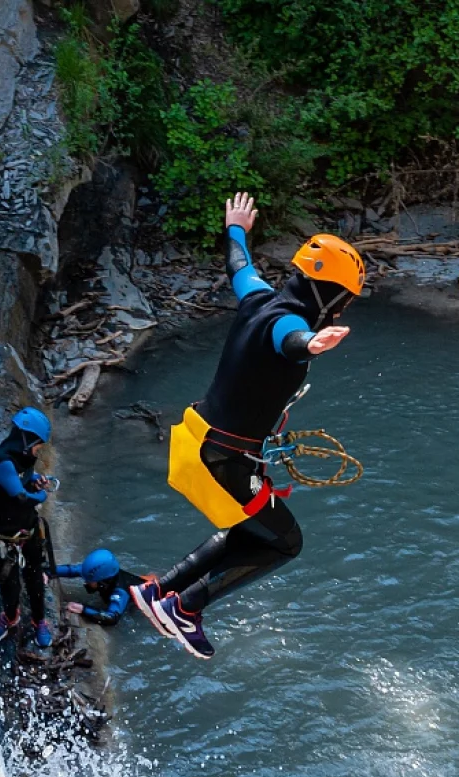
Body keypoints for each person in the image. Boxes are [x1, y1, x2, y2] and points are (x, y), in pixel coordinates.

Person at [130, 192, 365, 659]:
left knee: (254, 527)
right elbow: (290, 341)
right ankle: (187, 606)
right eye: (343, 301)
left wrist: (235, 227)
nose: (342, 311)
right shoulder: (289, 324)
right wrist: (312, 343)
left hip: (199, 438)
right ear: (328, 295)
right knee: (286, 541)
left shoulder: (258, 295)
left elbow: (238, 265)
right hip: (225, 460)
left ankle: (159, 592)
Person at [0, 408, 57, 659]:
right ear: (27, 440)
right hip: (6, 538)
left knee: (35, 579)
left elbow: (23, 480)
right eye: (38, 446)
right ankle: (11, 617)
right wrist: (42, 495)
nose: (39, 451)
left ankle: (39, 621)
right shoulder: (1, 462)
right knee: (9, 583)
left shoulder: (22, 459)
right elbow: (20, 496)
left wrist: (35, 480)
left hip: (29, 532)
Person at [53, 549, 142, 627]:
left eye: (89, 580)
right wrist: (46, 572)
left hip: (138, 602)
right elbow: (72, 570)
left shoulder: (120, 592)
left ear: (102, 581)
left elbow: (112, 618)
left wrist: (83, 609)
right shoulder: (99, 574)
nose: (86, 582)